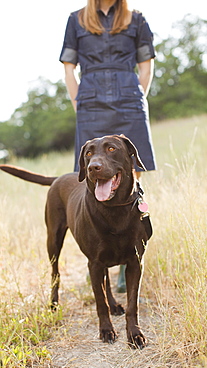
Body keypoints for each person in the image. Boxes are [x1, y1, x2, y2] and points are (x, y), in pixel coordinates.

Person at [59, 0, 156, 291]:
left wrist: (138, 97)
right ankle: (101, 245)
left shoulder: (136, 18)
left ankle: (131, 253)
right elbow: (68, 67)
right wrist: (78, 103)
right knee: (95, 170)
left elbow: (146, 64)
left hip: (129, 98)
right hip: (89, 100)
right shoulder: (76, 19)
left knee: (131, 170)